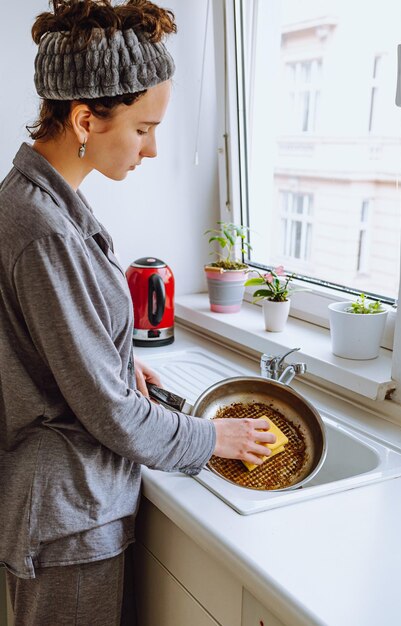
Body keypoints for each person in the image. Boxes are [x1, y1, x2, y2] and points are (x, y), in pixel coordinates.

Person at [0, 1, 276, 624]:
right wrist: (214, 438)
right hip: (68, 513)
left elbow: (44, 351)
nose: (151, 150)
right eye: (144, 128)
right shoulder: (45, 230)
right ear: (84, 120)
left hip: (65, 506)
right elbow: (113, 417)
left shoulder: (44, 203)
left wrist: (116, 363)